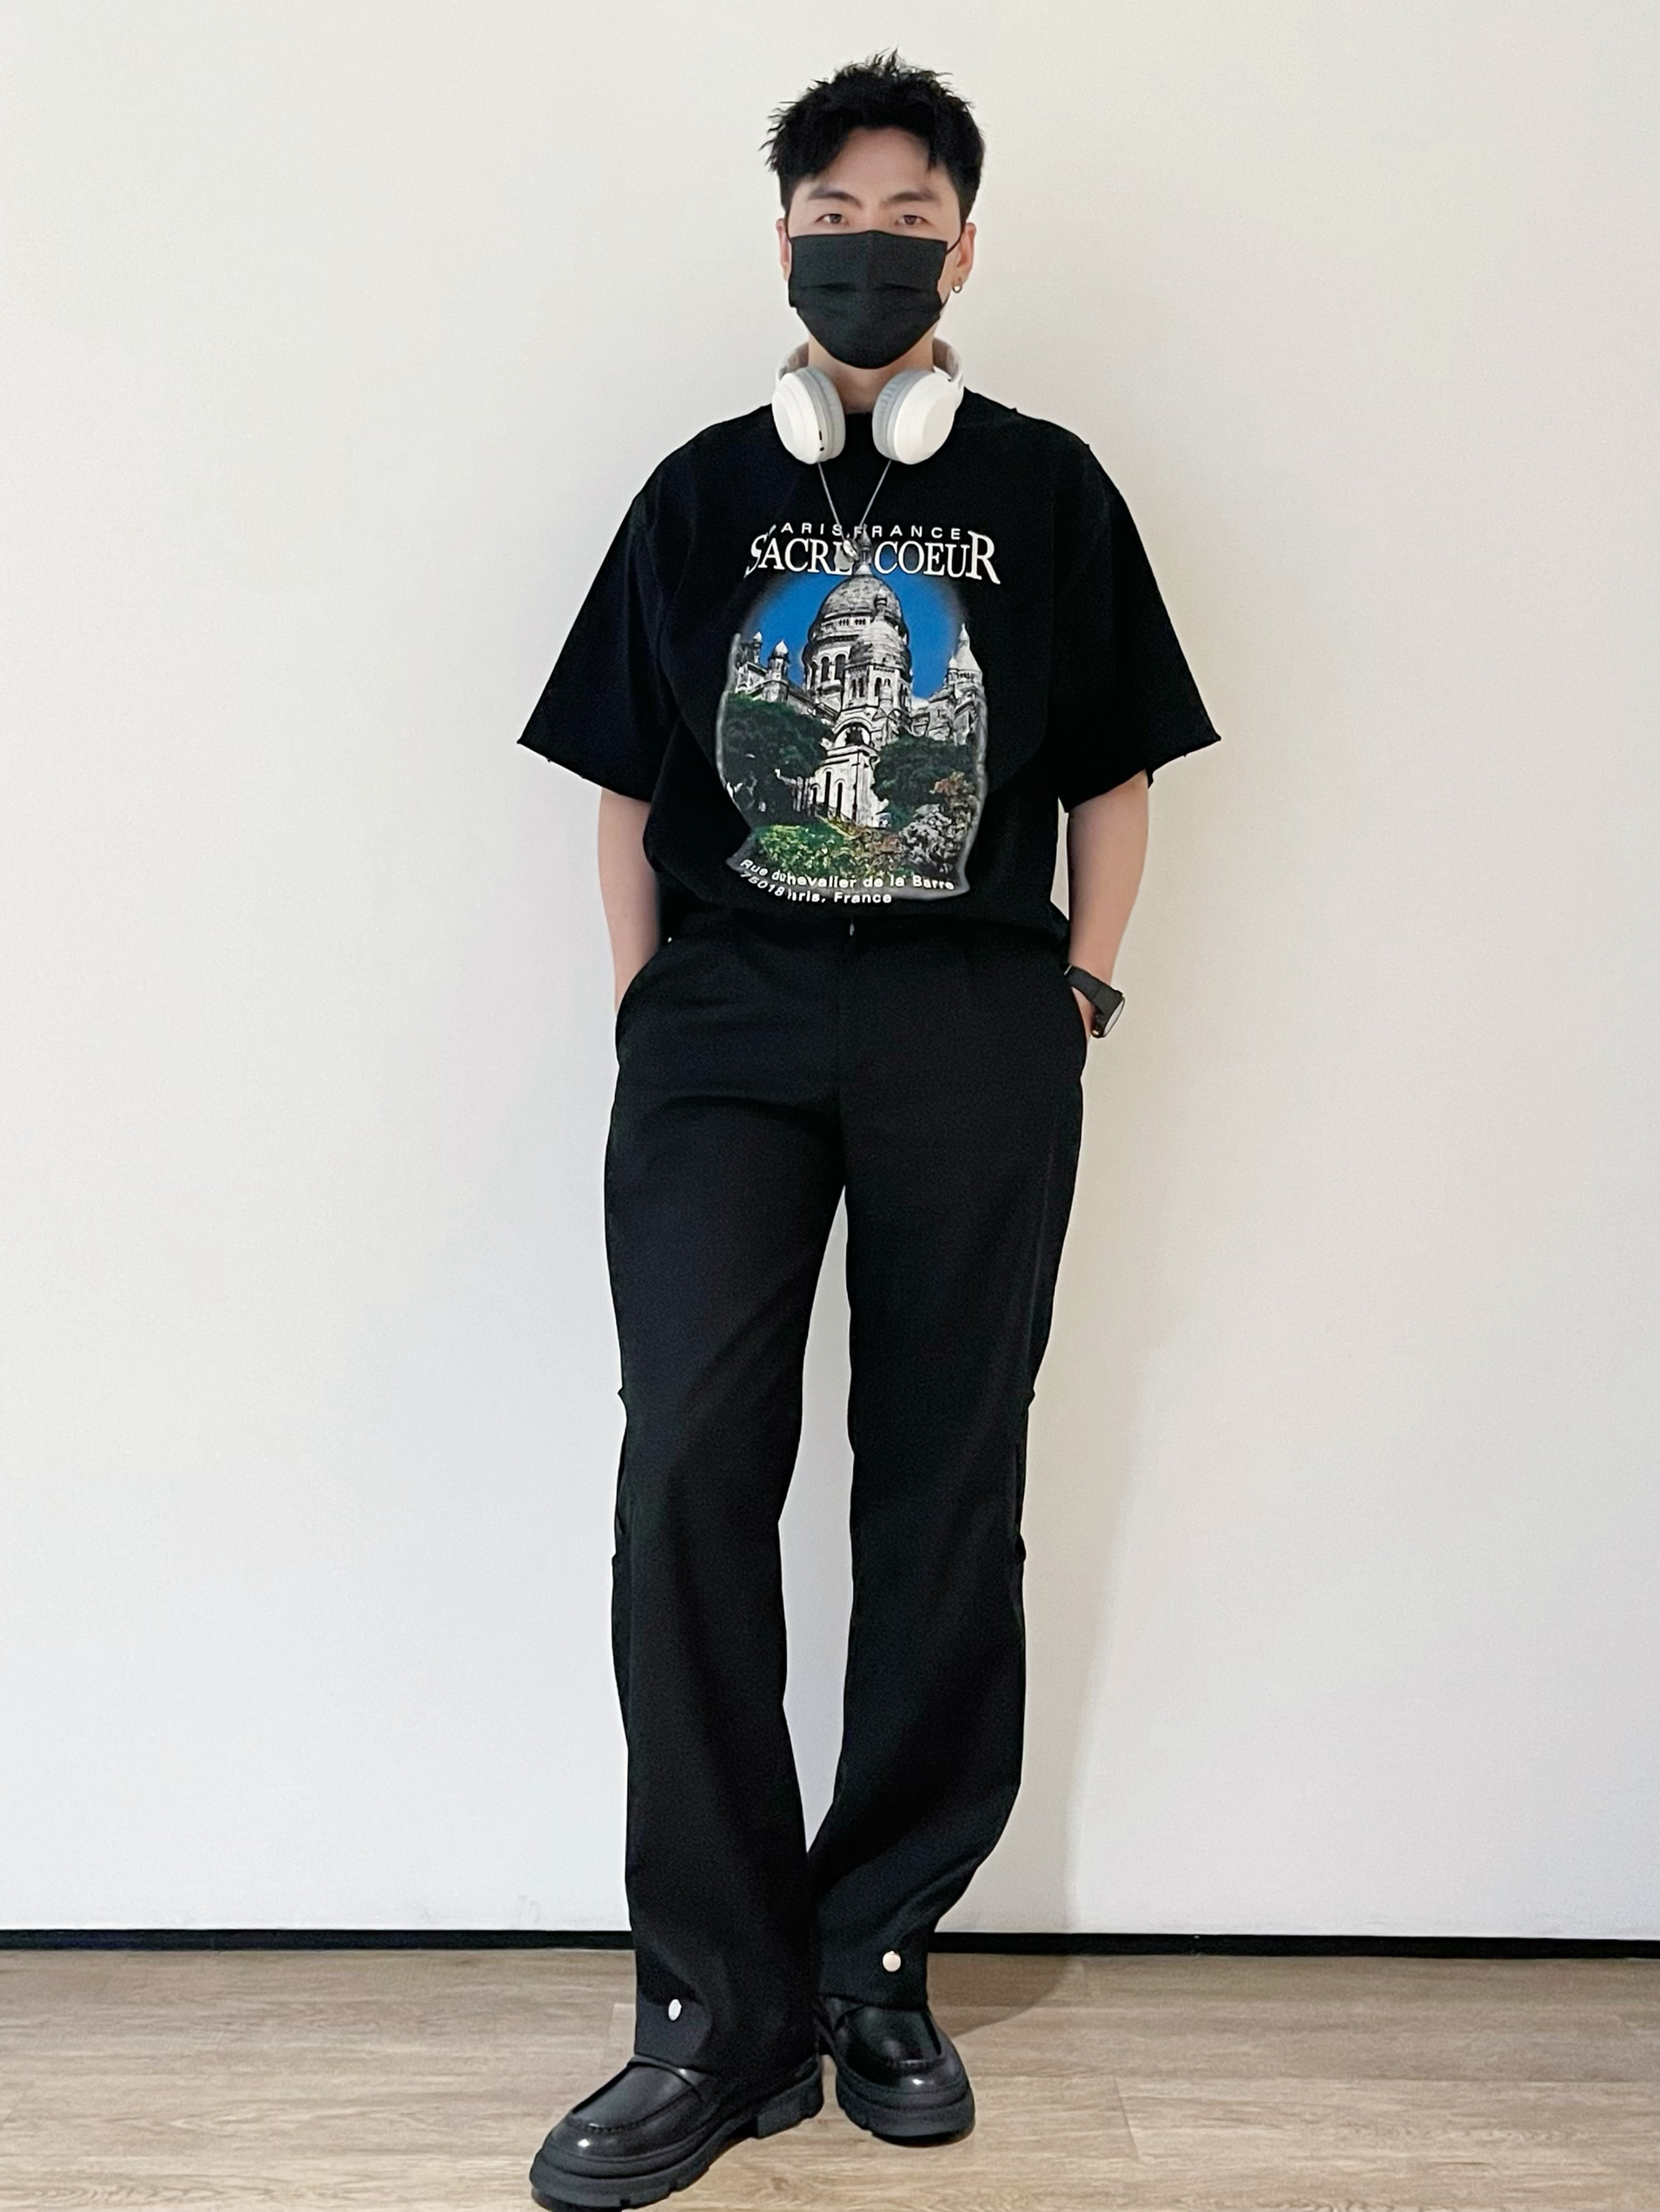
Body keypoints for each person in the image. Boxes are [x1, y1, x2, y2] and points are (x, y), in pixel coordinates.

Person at [519, 52, 1221, 2210]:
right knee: (686, 1470)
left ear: (961, 248)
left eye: (906, 215)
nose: (866, 243)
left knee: (941, 1479)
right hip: (722, 1034)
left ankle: (875, 1953)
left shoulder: (1046, 487)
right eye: (832, 210)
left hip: (968, 1031)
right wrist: (645, 1006)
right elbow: (626, 782)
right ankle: (711, 2007)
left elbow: (1111, 769)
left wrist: (1075, 991)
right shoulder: (696, 492)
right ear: (782, 238)